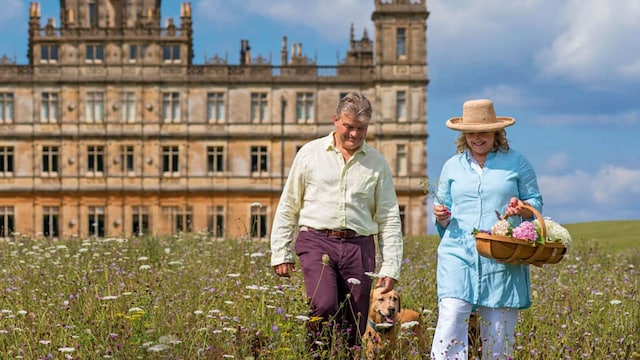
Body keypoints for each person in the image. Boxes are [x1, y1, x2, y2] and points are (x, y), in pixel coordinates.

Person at [270, 92, 404, 357]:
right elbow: (289, 204)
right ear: (335, 120)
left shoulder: (377, 163)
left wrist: (391, 265)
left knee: (354, 321)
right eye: (349, 126)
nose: (354, 134)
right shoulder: (310, 154)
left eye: (361, 128)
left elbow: (389, 217)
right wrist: (281, 251)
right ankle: (315, 355)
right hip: (316, 241)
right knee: (324, 304)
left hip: (359, 246)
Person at [430, 99, 543, 360]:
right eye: (471, 132)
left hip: (503, 257)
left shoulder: (517, 162)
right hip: (458, 254)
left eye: (483, 132)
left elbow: (536, 202)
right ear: (463, 134)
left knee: (499, 331)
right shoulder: (452, 166)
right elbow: (443, 212)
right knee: (451, 317)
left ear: (496, 132)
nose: (477, 138)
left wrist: (522, 207)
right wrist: (442, 215)